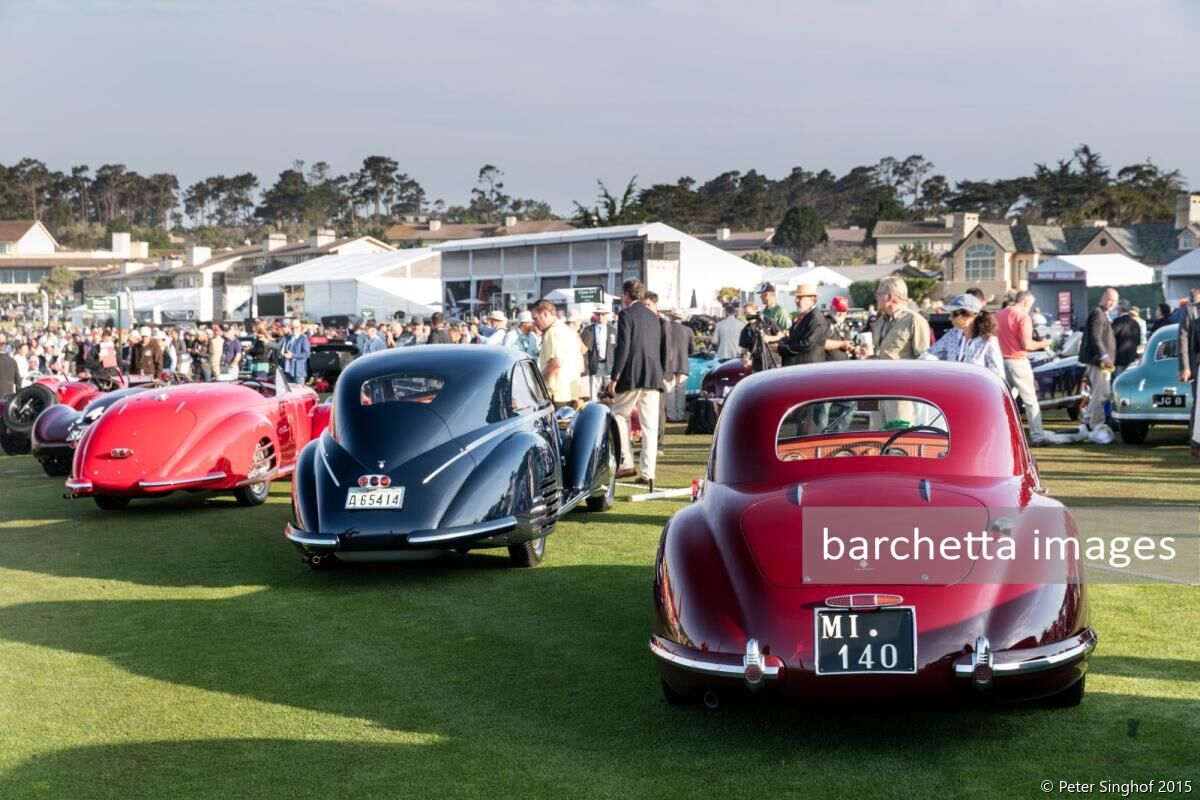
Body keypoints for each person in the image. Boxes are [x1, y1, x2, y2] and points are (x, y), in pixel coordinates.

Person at [607, 279, 666, 487]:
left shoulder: (626, 314)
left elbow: (623, 348)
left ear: (625, 295)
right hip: (653, 375)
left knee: (618, 415)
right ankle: (648, 472)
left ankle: (627, 461)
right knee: (650, 426)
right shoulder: (654, 317)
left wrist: (614, 377)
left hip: (632, 374)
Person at [996, 291, 1054, 445]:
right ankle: (1037, 435)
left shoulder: (999, 315)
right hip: (1018, 361)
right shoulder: (1023, 317)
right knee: (1030, 401)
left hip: (1001, 361)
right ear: (1027, 303)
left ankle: (1002, 433)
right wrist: (1045, 343)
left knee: (1005, 400)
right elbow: (1026, 344)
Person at [918, 294, 1005, 382]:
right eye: (951, 313)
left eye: (955, 314)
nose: (950, 317)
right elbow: (929, 353)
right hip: (952, 389)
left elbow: (998, 375)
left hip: (976, 392)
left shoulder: (988, 341)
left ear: (972, 314)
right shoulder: (951, 335)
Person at [1078, 287, 1119, 439]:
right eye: (1109, 299)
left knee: (1100, 393)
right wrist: (1104, 356)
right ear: (1103, 298)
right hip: (1098, 362)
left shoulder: (1101, 313)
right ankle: (1096, 423)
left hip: (1099, 361)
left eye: (1114, 301)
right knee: (1100, 394)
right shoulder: (1098, 313)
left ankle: (1089, 420)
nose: (1111, 303)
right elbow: (1095, 338)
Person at [531, 299, 584, 409]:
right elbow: (581, 365)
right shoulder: (567, 330)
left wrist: (537, 380)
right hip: (571, 391)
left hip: (557, 394)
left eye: (535, 318)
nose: (535, 323)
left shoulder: (552, 332)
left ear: (545, 313)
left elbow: (555, 363)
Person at [777, 284, 828, 366]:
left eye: (800, 298)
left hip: (808, 370)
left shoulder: (815, 318)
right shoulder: (806, 316)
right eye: (796, 298)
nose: (796, 300)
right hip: (800, 368)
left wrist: (781, 348)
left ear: (811, 299)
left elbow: (806, 344)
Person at [1176, 288, 1200, 456]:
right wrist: (1185, 367)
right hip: (1196, 365)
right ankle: (1195, 442)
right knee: (1198, 404)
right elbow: (1182, 339)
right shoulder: (1191, 310)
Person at [580, 309, 616, 401]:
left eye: (603, 314)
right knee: (594, 393)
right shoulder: (588, 330)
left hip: (609, 365)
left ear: (607, 315)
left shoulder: (612, 330)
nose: (600, 316)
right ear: (595, 315)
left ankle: (611, 412)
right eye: (598, 314)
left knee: (611, 392)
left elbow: (616, 348)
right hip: (595, 364)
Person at [665, 309, 693, 422]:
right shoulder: (688, 330)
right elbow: (692, 349)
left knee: (669, 391)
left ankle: (671, 415)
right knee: (680, 391)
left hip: (668, 364)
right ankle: (680, 415)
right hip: (683, 363)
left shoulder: (665, 328)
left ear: (671, 317)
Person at [737, 302, 782, 372]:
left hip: (773, 362)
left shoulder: (768, 321)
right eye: (745, 314)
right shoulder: (745, 331)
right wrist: (745, 359)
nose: (747, 315)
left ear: (756, 311)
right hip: (757, 366)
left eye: (749, 313)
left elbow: (781, 336)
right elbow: (743, 351)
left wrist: (769, 338)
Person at [1111, 299, 1142, 376]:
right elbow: (1138, 341)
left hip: (1119, 358)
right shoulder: (1135, 323)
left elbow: (1111, 338)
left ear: (1120, 309)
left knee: (1118, 381)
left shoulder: (1117, 321)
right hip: (1132, 357)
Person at [280, 319, 311, 383]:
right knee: (290, 392)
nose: (294, 330)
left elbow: (306, 354)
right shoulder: (288, 338)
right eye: (292, 328)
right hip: (288, 370)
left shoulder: (303, 339)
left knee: (299, 391)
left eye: (296, 327)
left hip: (298, 371)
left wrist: (292, 355)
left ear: (300, 328)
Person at [824, 296, 854, 361]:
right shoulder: (826, 322)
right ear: (831, 309)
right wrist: (842, 344)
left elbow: (848, 343)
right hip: (829, 367)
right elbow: (822, 343)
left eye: (843, 310)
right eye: (838, 310)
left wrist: (853, 348)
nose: (840, 313)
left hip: (843, 366)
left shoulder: (845, 326)